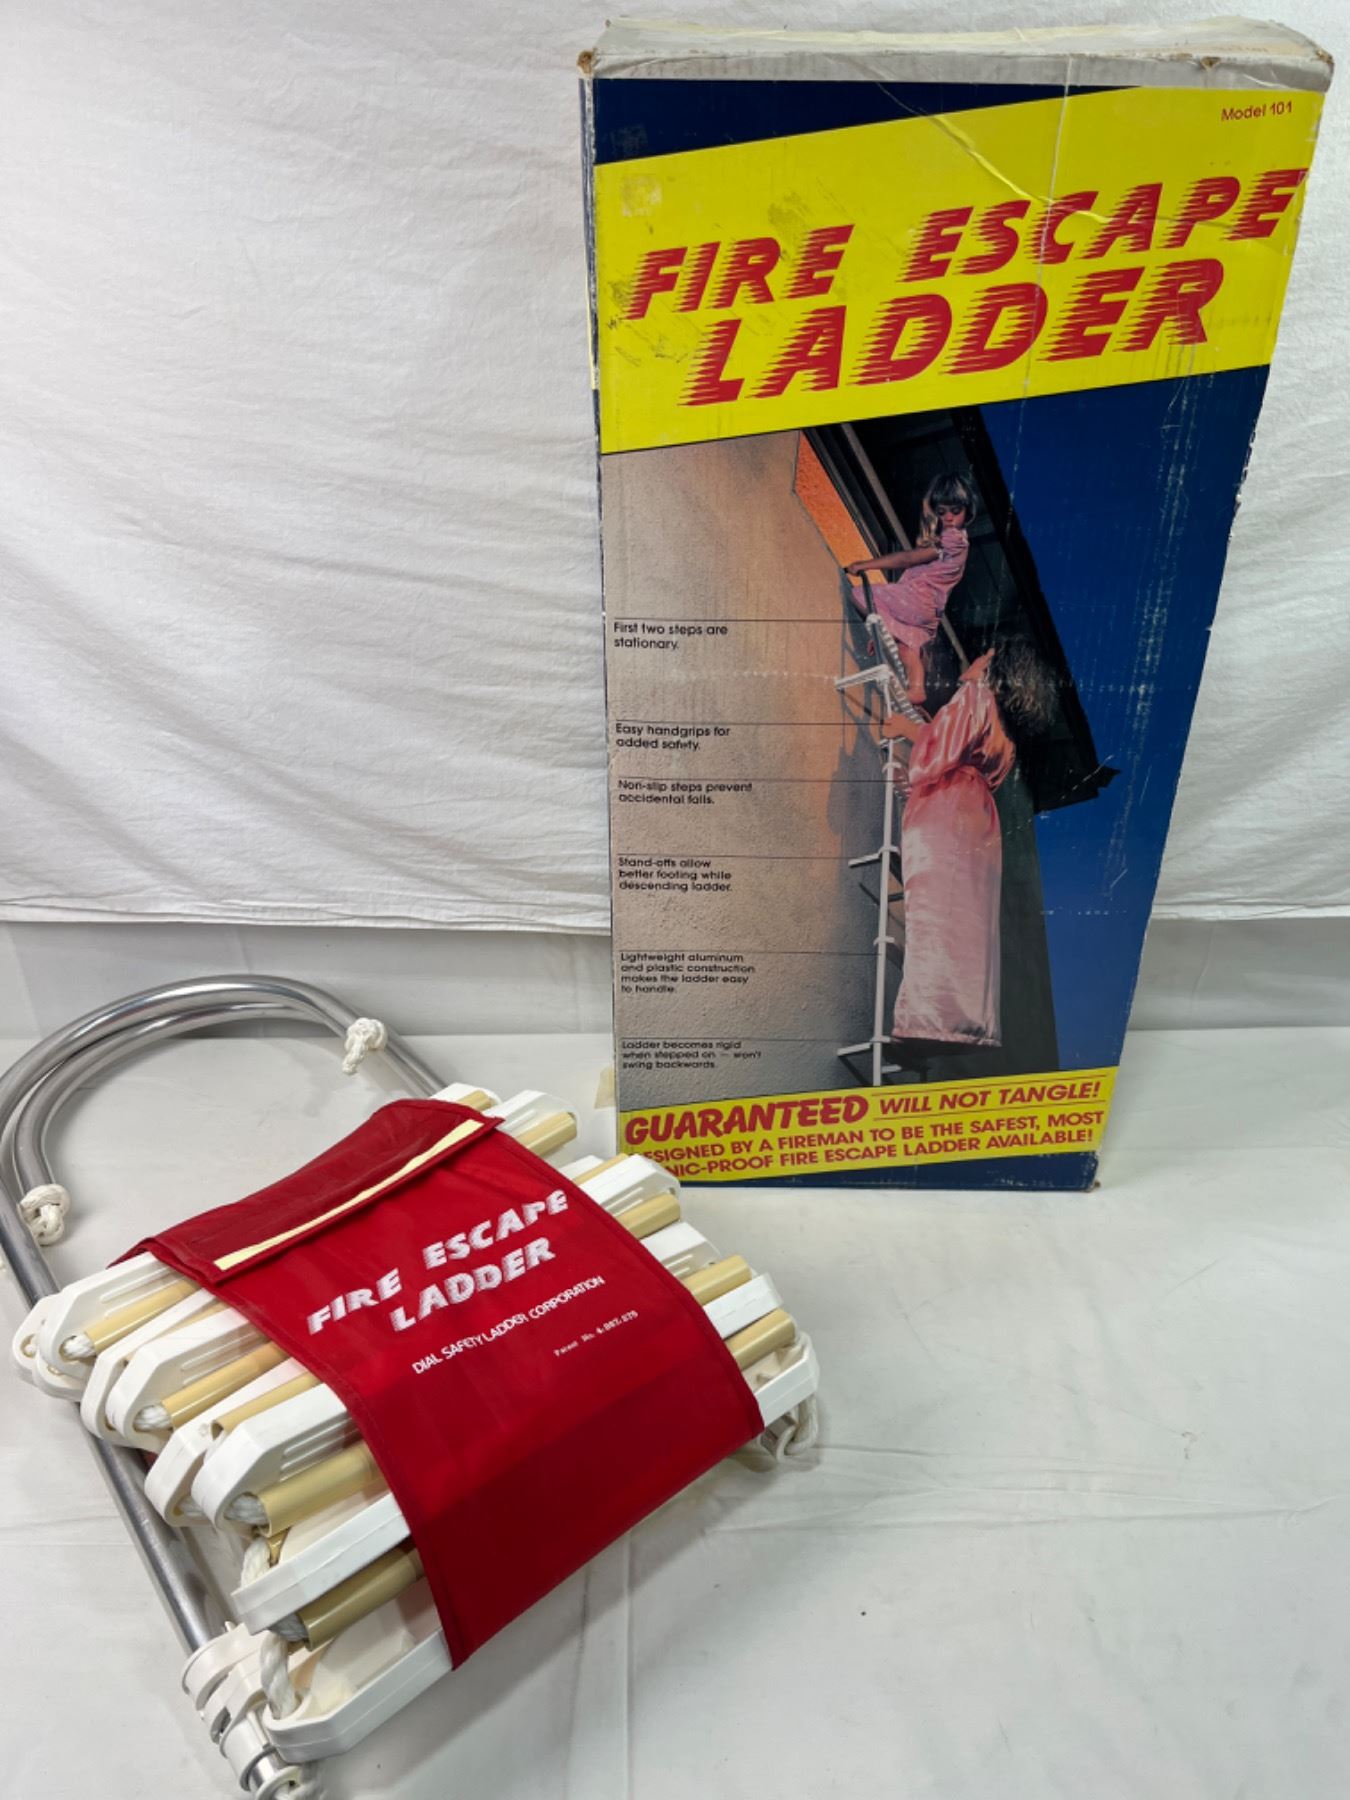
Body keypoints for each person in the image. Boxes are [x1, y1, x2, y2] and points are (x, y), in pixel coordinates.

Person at [880, 638, 1055, 1050]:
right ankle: (960, 1021)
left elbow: (939, 750)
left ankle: (925, 1020)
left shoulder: (975, 695)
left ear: (994, 669)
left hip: (950, 808)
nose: (977, 658)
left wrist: (907, 728)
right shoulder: (1006, 736)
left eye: (986, 656)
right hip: (980, 822)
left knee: (933, 913)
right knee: (964, 924)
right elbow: (958, 747)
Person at [845, 472, 977, 706]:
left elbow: (907, 558)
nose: (948, 518)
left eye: (955, 511)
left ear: (968, 512)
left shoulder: (952, 540)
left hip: (916, 600)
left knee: (860, 594)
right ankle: (917, 689)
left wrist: (863, 565)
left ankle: (885, 632)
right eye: (942, 512)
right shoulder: (960, 545)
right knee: (907, 649)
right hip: (927, 613)